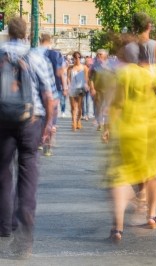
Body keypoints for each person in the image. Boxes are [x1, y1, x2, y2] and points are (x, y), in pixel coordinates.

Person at [104, 45, 156, 241]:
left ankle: (117, 228)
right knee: (155, 173)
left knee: (121, 176)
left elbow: (117, 103)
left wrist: (109, 127)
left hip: (130, 128)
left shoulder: (125, 73)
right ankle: (151, 215)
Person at [0, 17, 54, 258]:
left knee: (3, 173)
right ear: (25, 34)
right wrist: (48, 125)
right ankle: (25, 237)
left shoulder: (0, 54)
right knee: (28, 175)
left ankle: (4, 225)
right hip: (30, 120)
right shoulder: (35, 57)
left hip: (2, 120)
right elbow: (48, 94)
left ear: (8, 33)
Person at [39, 33, 68, 155]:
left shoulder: (37, 53)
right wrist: (65, 87)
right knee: (52, 119)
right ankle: (48, 145)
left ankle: (40, 142)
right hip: (55, 89)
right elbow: (60, 72)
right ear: (50, 41)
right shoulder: (56, 55)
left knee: (41, 117)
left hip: (40, 90)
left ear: (41, 40)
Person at [67, 51, 89, 131]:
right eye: (75, 57)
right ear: (73, 58)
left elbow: (86, 78)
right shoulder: (70, 68)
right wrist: (68, 86)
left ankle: (78, 121)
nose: (77, 59)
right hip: (72, 89)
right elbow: (68, 78)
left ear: (81, 58)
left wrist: (87, 85)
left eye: (79, 57)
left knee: (79, 107)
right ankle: (73, 122)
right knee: (73, 107)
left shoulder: (84, 68)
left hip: (81, 88)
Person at [89, 49, 110, 131]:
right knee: (98, 107)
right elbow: (91, 79)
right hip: (98, 90)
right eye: (98, 54)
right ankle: (100, 123)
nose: (98, 56)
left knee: (107, 107)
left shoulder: (110, 66)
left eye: (100, 54)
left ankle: (106, 123)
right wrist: (92, 88)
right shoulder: (94, 66)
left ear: (105, 56)